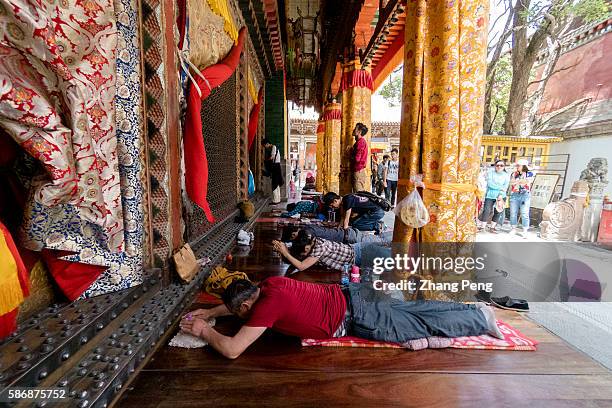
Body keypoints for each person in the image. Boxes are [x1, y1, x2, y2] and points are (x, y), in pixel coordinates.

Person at [179, 276, 503, 359]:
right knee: (419, 311)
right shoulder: (267, 286)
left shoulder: (264, 308)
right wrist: (210, 311)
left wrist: (204, 331)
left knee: (419, 324)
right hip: (357, 292)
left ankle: (480, 321)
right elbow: (237, 306)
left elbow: (234, 349)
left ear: (247, 308)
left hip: (359, 315)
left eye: (240, 314)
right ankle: (474, 310)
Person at [272, 229, 391, 272]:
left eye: (304, 251)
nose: (304, 254)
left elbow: (302, 266)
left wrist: (286, 253)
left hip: (362, 253)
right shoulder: (313, 242)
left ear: (307, 247)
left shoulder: (319, 248)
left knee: (395, 260)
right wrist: (285, 248)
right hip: (358, 253)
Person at [478, 159, 510, 233]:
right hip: (490, 195)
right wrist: (500, 187)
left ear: (504, 167)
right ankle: (483, 227)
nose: (499, 167)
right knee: (487, 210)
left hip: (501, 196)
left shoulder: (506, 175)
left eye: (501, 165)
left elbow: (505, 186)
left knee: (498, 212)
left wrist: (500, 194)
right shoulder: (490, 172)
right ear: (495, 166)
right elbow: (490, 184)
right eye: (497, 165)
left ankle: (492, 227)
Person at [280, 224, 393, 245]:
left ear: (293, 233)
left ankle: (401, 237)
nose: (294, 240)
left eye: (292, 238)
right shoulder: (306, 228)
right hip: (349, 235)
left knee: (381, 241)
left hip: (350, 237)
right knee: (379, 239)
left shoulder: (307, 233)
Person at [509, 159, 535, 236]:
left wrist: (517, 182)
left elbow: (527, 181)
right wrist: (520, 181)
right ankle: (513, 228)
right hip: (515, 194)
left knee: (524, 213)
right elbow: (511, 183)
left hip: (525, 195)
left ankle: (525, 230)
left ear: (523, 166)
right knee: (513, 213)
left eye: (518, 165)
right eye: (517, 165)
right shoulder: (514, 173)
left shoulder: (529, 173)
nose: (517, 167)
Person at [262, 138, 284, 204]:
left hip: (275, 167)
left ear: (267, 143)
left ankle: (275, 201)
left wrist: (266, 161)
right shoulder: (273, 147)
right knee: (276, 184)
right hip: (276, 167)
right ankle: (278, 199)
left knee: (274, 184)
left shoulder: (274, 147)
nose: (265, 147)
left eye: (264, 145)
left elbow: (272, 157)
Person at [351, 123, 369, 192]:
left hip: (358, 170)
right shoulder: (359, 142)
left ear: (359, 131)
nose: (353, 130)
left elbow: (357, 159)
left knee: (359, 194)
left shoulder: (361, 142)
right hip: (358, 170)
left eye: (355, 128)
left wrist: (350, 152)